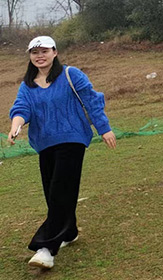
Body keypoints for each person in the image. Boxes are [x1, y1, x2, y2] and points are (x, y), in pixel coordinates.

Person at [7, 36, 117, 270]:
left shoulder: (70, 74)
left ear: (55, 52)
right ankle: (69, 232)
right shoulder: (28, 85)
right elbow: (21, 108)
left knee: (60, 191)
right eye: (35, 52)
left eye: (44, 51)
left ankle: (46, 249)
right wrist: (16, 125)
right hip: (45, 143)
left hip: (72, 139)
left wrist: (104, 128)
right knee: (53, 192)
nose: (40, 56)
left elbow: (92, 101)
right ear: (30, 56)